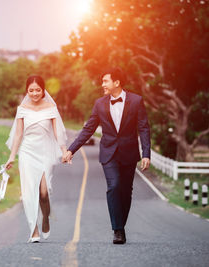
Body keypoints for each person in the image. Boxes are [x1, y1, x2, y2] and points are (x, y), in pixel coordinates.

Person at [62, 67, 151, 244]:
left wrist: (146, 153)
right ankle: (117, 230)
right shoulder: (100, 104)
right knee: (114, 185)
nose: (102, 84)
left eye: (105, 81)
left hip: (129, 153)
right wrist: (71, 150)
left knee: (126, 191)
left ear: (117, 82)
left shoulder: (136, 101)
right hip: (108, 153)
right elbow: (88, 129)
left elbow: (143, 128)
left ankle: (121, 226)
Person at [5, 75, 67, 243]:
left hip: (45, 151)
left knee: (44, 193)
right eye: (31, 90)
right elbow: (18, 134)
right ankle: (33, 229)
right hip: (27, 152)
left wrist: (64, 150)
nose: (34, 93)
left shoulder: (51, 108)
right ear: (27, 91)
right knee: (28, 193)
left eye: (37, 90)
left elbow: (57, 132)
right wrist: (12, 156)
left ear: (43, 90)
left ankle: (45, 217)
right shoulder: (22, 109)